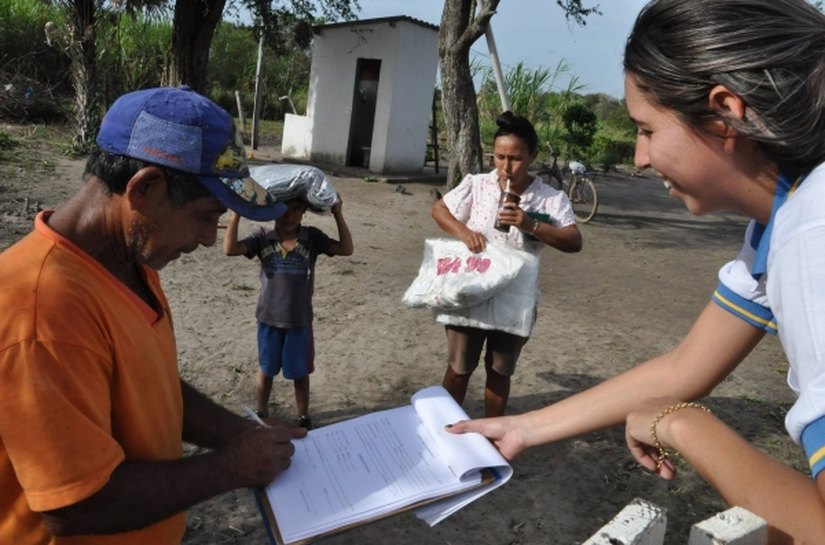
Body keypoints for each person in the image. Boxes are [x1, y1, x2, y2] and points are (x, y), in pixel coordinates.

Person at [446, 1, 825, 542]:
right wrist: (523, 427)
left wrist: (682, 424)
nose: (640, 158)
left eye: (645, 130)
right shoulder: (778, 221)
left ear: (725, 115)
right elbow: (683, 368)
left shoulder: (813, 240)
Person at [0, 86, 307, 545]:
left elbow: (150, 384)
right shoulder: (43, 310)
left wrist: (238, 432)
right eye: (206, 216)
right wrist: (231, 467)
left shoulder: (129, 261)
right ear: (143, 188)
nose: (209, 239)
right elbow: (74, 505)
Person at [431, 111, 583, 417]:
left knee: (500, 372)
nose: (505, 167)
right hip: (472, 289)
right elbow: (439, 210)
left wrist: (531, 224)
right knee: (459, 367)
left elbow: (574, 240)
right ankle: (443, 430)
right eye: (499, 157)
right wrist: (464, 232)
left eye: (515, 158)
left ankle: (491, 439)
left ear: (533, 156)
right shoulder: (477, 184)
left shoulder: (549, 198)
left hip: (515, 297)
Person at [222, 194, 353, 429]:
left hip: (299, 320)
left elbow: (346, 249)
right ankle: (261, 411)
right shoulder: (262, 237)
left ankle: (303, 416)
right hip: (268, 318)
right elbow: (229, 249)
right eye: (282, 209)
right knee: (266, 368)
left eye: (295, 209)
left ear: (304, 211)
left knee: (300, 372)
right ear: (271, 211)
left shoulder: (311, 237)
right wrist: (237, 213)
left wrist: (337, 213)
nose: (288, 215)